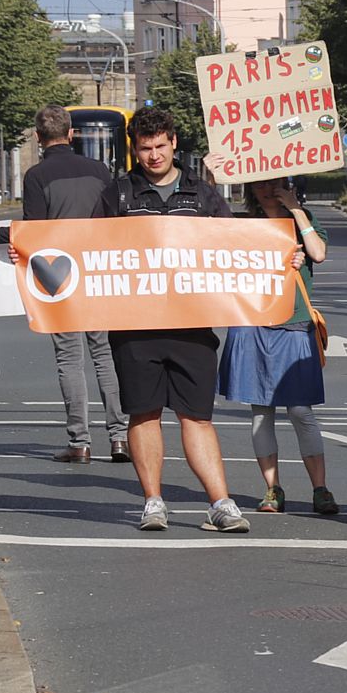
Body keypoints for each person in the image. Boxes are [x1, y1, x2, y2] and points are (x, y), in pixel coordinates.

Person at [102, 108, 257, 532]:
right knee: (143, 414)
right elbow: (85, 249)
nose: (153, 156)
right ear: (135, 148)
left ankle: (221, 503)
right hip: (135, 327)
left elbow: (238, 247)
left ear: (173, 142)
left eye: (160, 146)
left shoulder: (203, 196)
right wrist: (28, 250)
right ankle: (153, 502)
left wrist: (284, 258)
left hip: (193, 326)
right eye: (145, 148)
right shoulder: (117, 194)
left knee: (198, 417)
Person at [216, 173, 337, 516]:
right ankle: (272, 490)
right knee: (261, 412)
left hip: (293, 322)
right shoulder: (244, 224)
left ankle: (320, 488)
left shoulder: (302, 220)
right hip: (253, 322)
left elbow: (319, 252)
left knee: (300, 410)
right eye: (260, 184)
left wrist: (296, 209)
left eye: (274, 183)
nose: (268, 190)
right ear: (251, 190)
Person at [19, 104, 131, 466]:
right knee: (104, 355)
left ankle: (80, 442)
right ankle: (119, 438)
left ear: (38, 138)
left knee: (69, 359)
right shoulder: (99, 170)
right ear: (71, 134)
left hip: (60, 279)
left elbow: (33, 232)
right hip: (96, 273)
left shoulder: (36, 176)